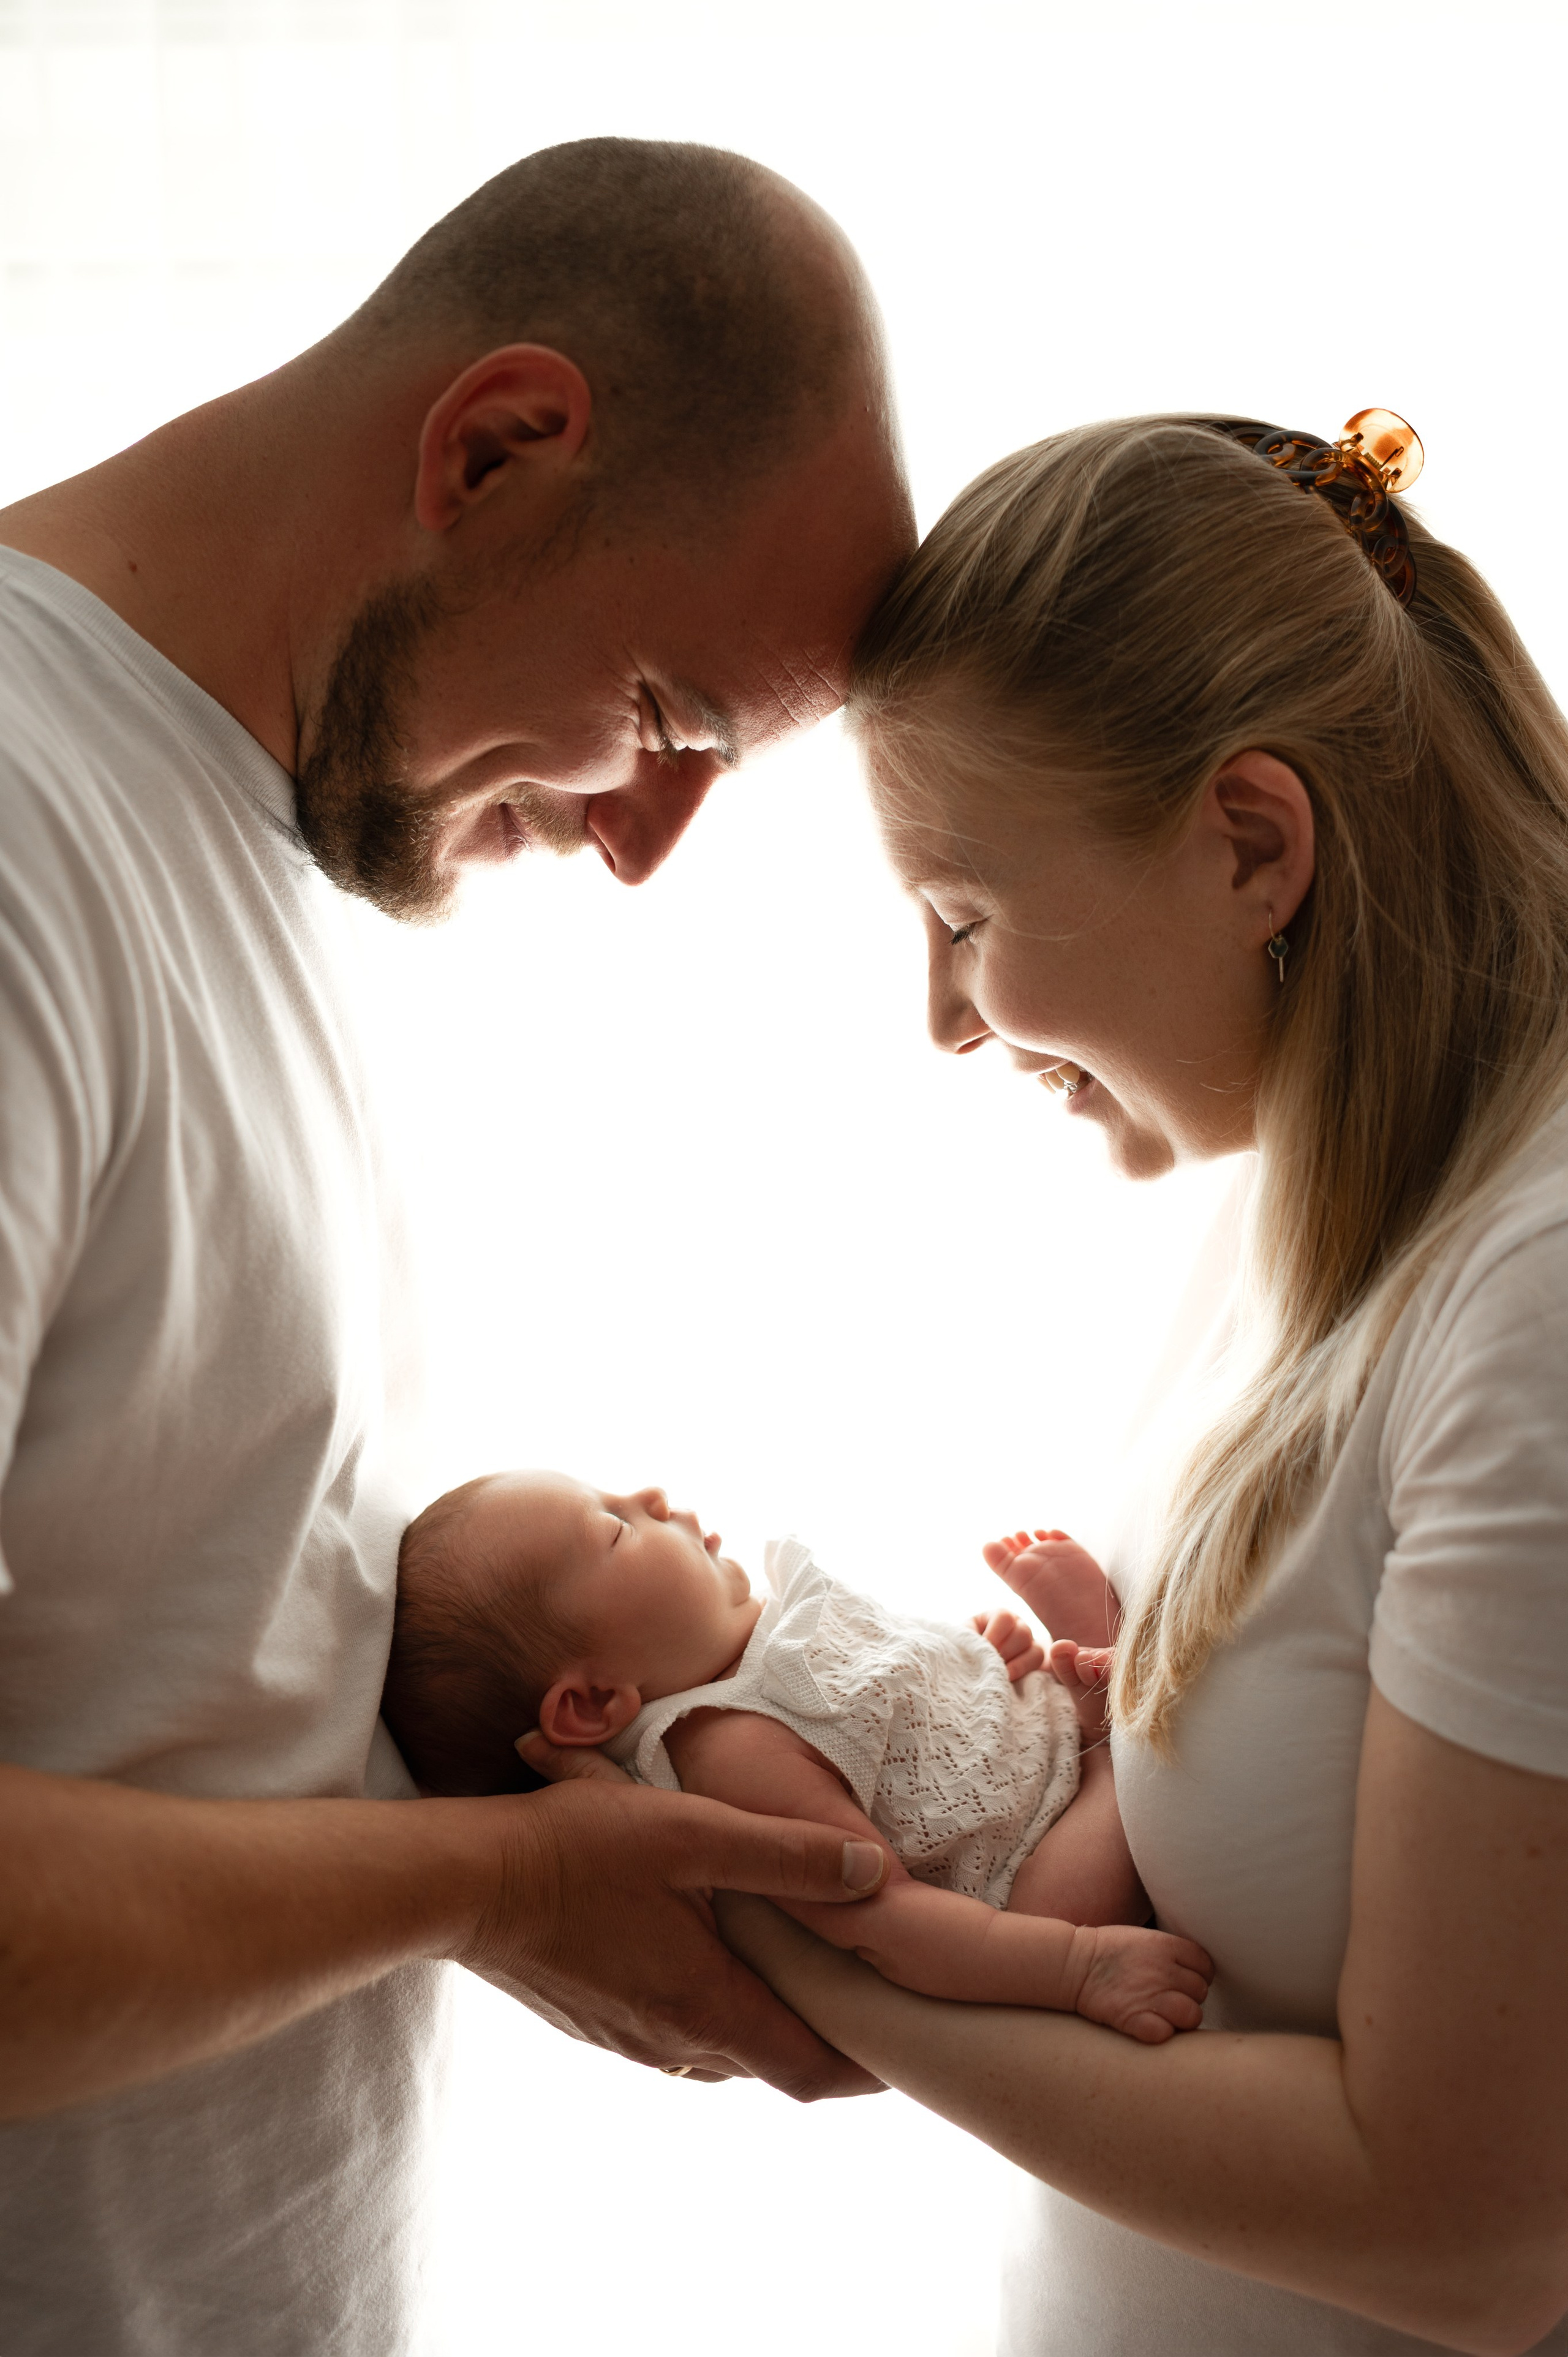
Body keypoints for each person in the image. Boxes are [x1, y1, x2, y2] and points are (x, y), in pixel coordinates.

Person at [0, 137, 913, 2355]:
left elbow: (185, 1666)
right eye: (671, 724)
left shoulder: (258, 838)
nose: (637, 848)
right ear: (494, 448)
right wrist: (501, 1881)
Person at [529, 411, 1568, 2355]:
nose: (945, 1018)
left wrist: (786, 1934)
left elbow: (1475, 2228)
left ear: (1253, 845)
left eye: (963, 919)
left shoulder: (1539, 1304)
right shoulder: (1306, 1200)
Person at [379, 1468, 1210, 2040]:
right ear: (595, 1701)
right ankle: (1110, 1735)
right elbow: (889, 1923)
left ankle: (1083, 1692)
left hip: (1019, 1770)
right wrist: (1077, 1968)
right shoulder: (730, 1750)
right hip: (1029, 1885)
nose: (652, 1496)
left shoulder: (773, 1647)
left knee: (1035, 1686)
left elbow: (897, 1716)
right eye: (613, 1528)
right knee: (1064, 1884)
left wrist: (984, 1665)